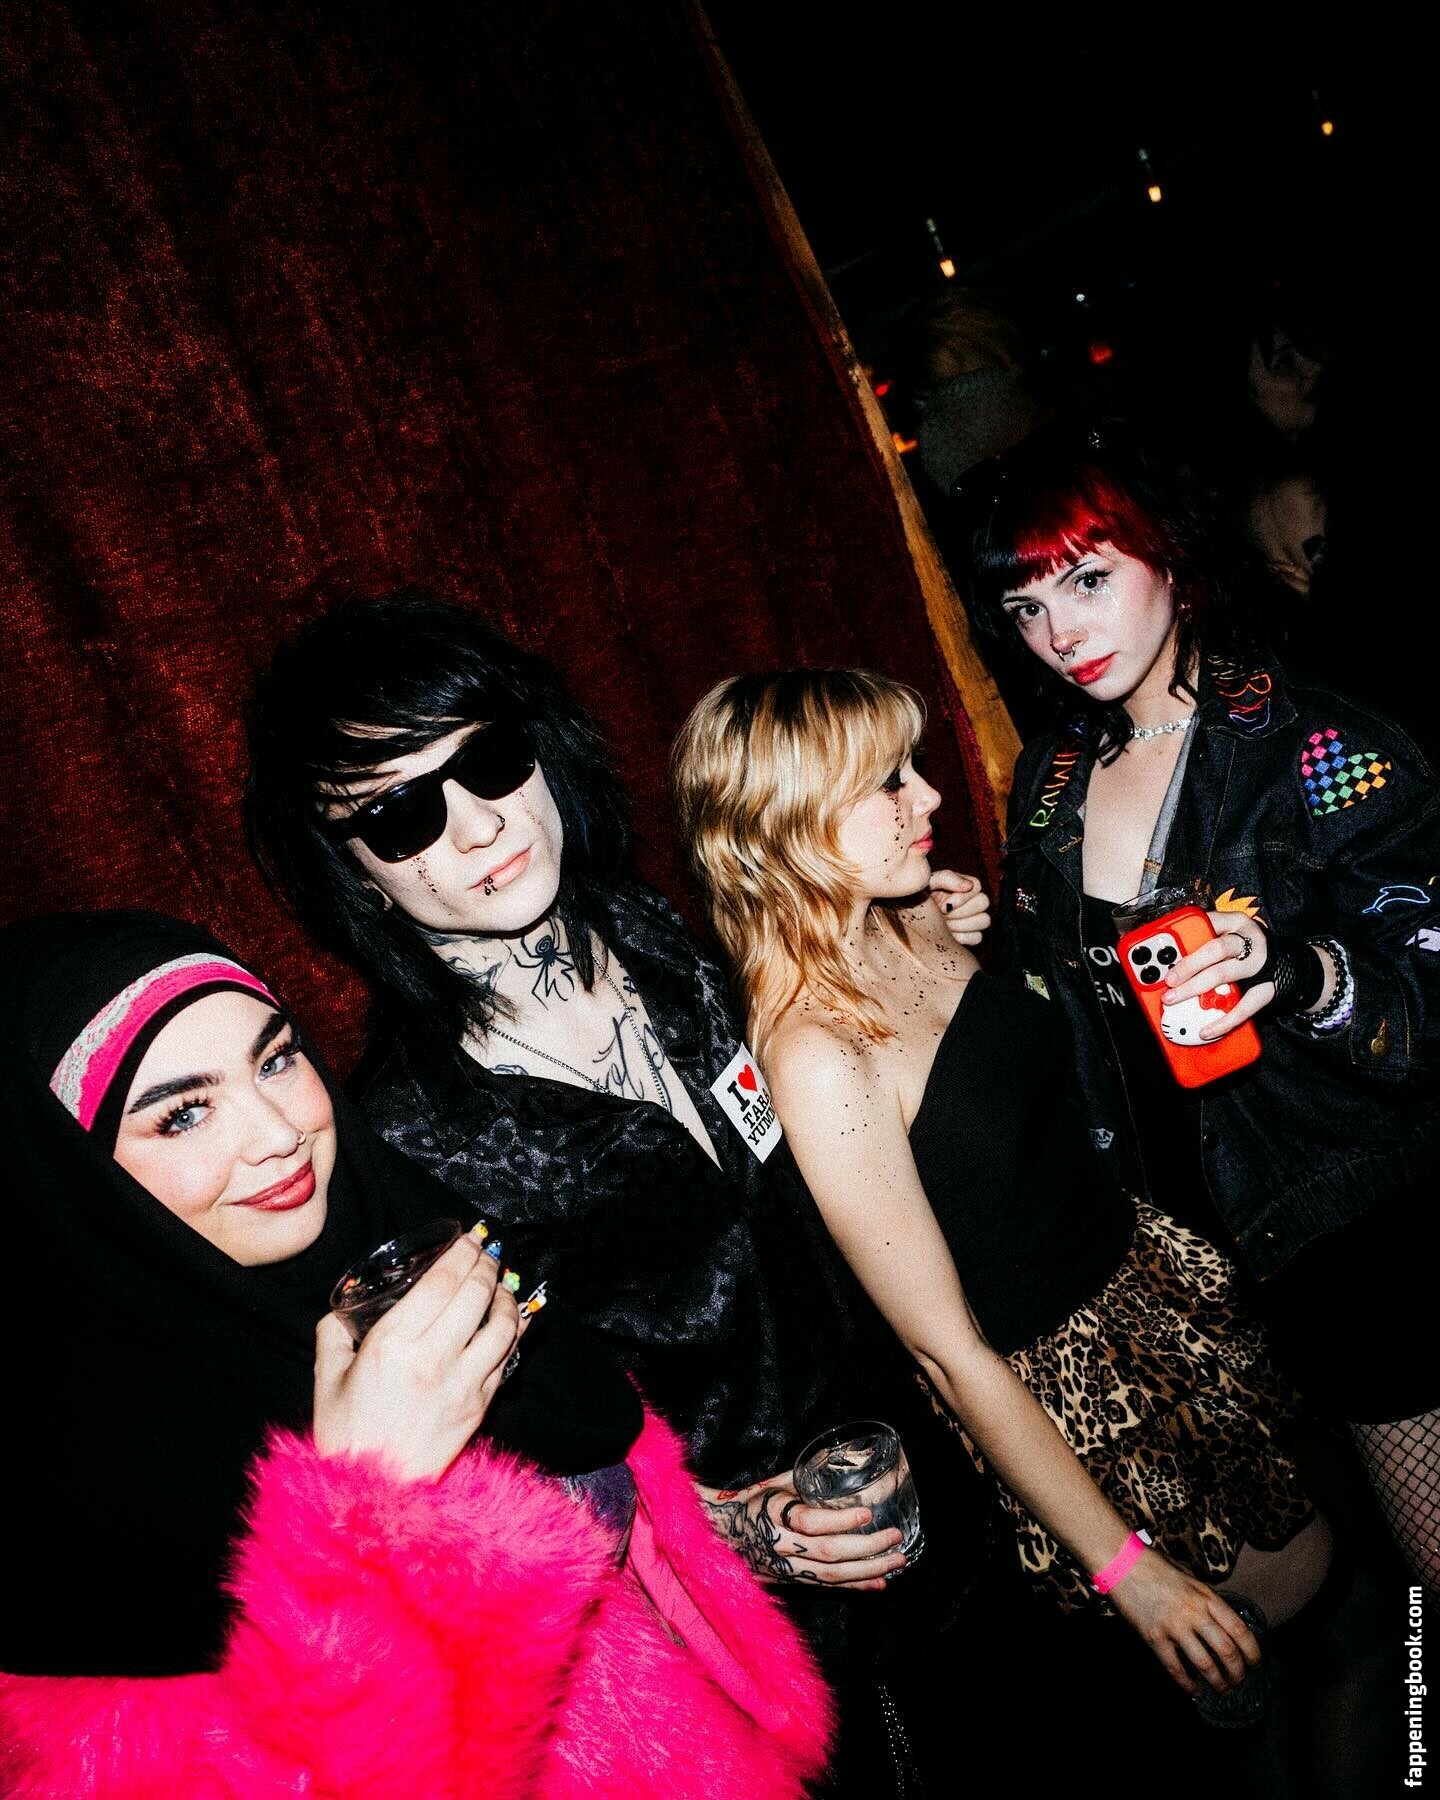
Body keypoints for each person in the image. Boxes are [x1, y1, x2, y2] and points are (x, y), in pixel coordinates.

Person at [245, 593, 998, 1791]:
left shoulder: (651, 932)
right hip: (767, 1623)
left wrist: (907, 934)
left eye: (490, 760)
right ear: (357, 875)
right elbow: (515, 1469)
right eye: (400, 815)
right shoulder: (411, 1136)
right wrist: (746, 1531)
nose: (480, 825)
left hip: (936, 1468)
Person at [0, 911, 833, 1796]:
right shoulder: (74, 1534)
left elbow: (589, 1525)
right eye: (184, 1114)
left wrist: (747, 1532)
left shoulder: (385, 1250)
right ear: (70, 1181)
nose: (278, 1133)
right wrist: (368, 1503)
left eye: (275, 1059)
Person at [672, 667, 1335, 1700]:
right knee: (1290, 1633)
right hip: (1073, 1406)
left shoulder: (904, 915)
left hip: (1147, 1296)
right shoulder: (816, 1053)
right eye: (889, 782)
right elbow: (946, 1351)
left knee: (1321, 1630)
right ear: (789, 825)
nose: (930, 795)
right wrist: (1127, 1571)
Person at [949, 420, 1440, 1600]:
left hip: (1362, 1224)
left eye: (1086, 580)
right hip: (1206, 1256)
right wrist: (971, 939)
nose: (1060, 635)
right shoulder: (1052, 779)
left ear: (1168, 553)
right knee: (1346, 1571)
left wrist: (1302, 973)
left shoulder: (1316, 746)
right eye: (1025, 607)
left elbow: (1426, 994)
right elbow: (1075, 1021)